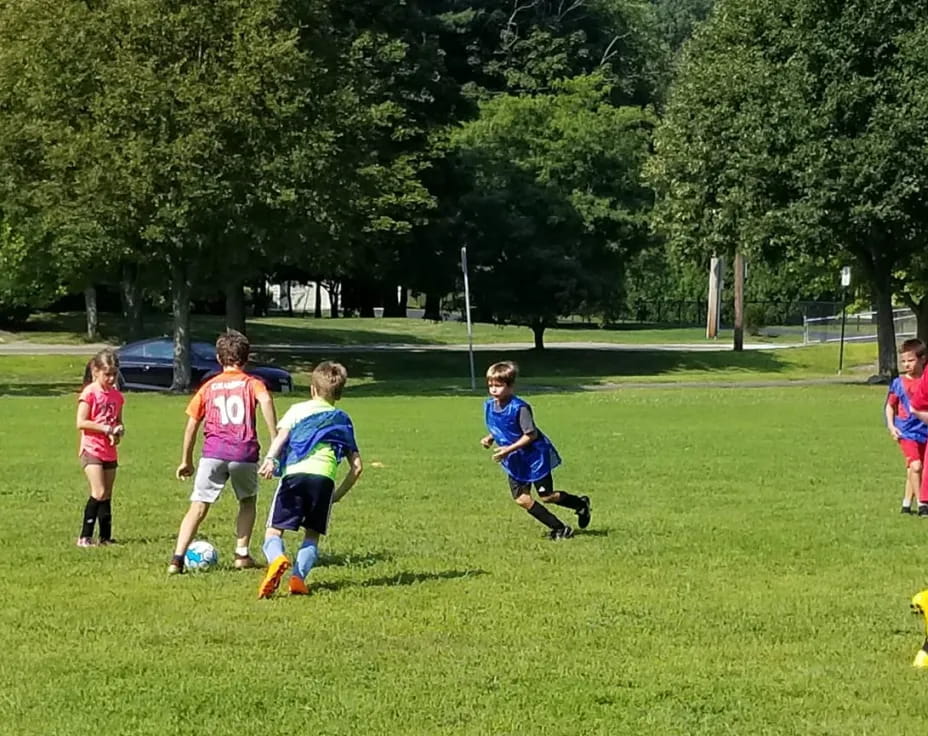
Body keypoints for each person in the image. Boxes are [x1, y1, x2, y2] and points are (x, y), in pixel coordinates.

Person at [167, 330, 278, 574]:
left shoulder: (209, 387)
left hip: (213, 453)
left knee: (198, 506)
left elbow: (191, 425)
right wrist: (274, 440)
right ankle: (241, 554)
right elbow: (267, 401)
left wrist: (186, 460)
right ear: (246, 359)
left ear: (219, 359)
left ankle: (177, 559)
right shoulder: (252, 383)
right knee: (247, 501)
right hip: (244, 453)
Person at [256, 361, 362, 599]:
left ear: (312, 389)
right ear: (340, 393)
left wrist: (271, 459)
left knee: (273, 532)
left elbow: (281, 436)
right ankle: (298, 578)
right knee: (312, 535)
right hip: (324, 480)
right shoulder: (342, 419)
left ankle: (276, 559)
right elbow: (357, 467)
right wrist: (336, 495)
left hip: (294, 474)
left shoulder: (297, 409)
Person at [480, 361, 591, 540]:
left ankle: (580, 504)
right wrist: (490, 437)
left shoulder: (519, 408)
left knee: (546, 496)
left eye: (498, 386)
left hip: (534, 457)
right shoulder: (490, 406)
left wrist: (507, 450)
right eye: (491, 385)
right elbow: (502, 427)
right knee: (522, 499)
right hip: (515, 460)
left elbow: (530, 435)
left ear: (510, 386)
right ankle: (560, 529)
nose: (493, 390)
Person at [76, 348, 126, 547]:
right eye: (107, 374)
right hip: (92, 449)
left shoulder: (117, 396)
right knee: (98, 491)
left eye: (114, 374)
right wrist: (105, 428)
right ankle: (84, 536)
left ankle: (105, 538)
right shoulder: (90, 393)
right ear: (95, 370)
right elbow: (81, 422)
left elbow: (118, 421)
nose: (111, 378)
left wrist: (118, 430)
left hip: (109, 450)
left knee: (107, 494)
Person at [894, 339, 928, 515]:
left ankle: (906, 504)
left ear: (922, 359)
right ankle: (923, 504)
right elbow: (889, 406)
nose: (906, 364)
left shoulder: (926, 380)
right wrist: (892, 428)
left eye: (910, 360)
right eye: (904, 361)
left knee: (914, 468)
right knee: (916, 467)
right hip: (906, 431)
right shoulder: (898, 383)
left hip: (924, 430)